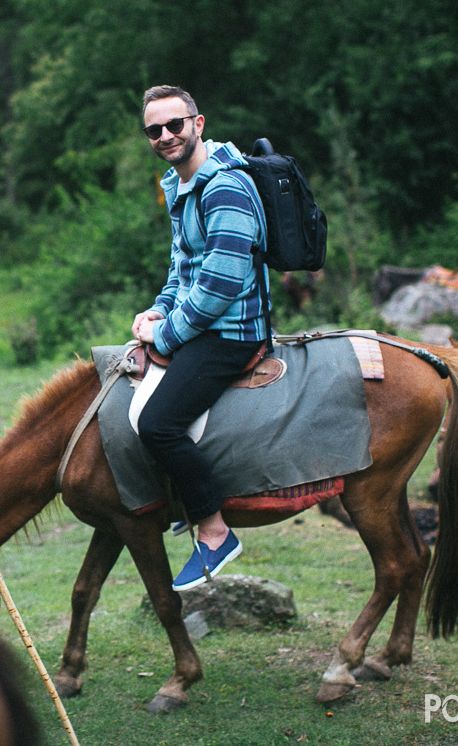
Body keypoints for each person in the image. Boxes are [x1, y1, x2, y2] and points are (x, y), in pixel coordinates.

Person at [131, 85, 268, 591]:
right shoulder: (180, 183)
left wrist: (165, 335)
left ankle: (214, 531)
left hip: (230, 332)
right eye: (154, 130)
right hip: (201, 322)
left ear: (198, 123)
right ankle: (185, 500)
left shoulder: (224, 188)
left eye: (175, 125)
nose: (165, 136)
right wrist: (159, 307)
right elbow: (183, 268)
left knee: (157, 422)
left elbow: (222, 282)